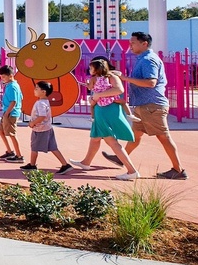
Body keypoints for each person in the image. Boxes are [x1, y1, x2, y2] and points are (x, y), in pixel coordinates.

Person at [110, 31, 187, 180]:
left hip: (152, 106)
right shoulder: (143, 59)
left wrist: (124, 78)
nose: (130, 45)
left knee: (163, 137)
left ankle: (178, 170)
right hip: (144, 105)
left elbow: (151, 82)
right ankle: (121, 158)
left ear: (144, 44)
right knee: (135, 135)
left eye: (133, 42)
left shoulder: (148, 60)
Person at [70, 57, 139, 180]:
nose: (89, 69)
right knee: (95, 138)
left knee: (111, 141)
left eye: (91, 67)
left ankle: (131, 170)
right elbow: (91, 87)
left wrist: (98, 95)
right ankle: (86, 162)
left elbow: (119, 89)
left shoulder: (111, 77)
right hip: (102, 109)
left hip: (104, 111)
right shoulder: (103, 78)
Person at [22, 81, 72, 174]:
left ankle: (32, 165)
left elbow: (42, 116)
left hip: (40, 129)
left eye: (37, 88)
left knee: (34, 147)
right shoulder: (45, 101)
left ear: (43, 91)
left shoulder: (40, 103)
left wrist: (32, 123)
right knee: (53, 147)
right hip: (47, 128)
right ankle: (65, 164)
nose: (35, 90)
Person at [0, 65, 23, 163]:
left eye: (3, 77)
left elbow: (14, 101)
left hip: (11, 113)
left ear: (10, 76)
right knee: (0, 130)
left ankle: (19, 156)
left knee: (12, 134)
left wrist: (7, 113)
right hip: (7, 112)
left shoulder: (12, 86)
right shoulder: (11, 85)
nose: (2, 79)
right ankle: (10, 151)